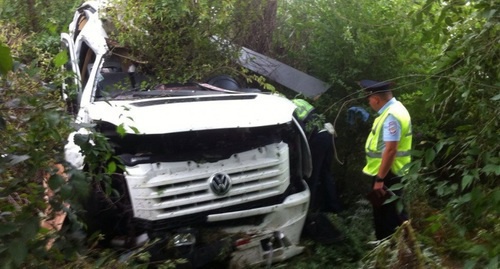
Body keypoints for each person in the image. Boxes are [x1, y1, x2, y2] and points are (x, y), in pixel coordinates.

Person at [359, 79, 412, 240]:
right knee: (396, 214)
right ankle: (407, 250)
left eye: (369, 99)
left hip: (387, 174)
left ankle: (390, 253)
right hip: (393, 172)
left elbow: (390, 150)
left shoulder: (391, 117)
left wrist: (380, 180)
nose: (369, 103)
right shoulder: (398, 109)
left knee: (385, 219)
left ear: (376, 99)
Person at [292, 99, 341, 213]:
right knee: (325, 172)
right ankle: (333, 207)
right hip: (328, 134)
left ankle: (308, 209)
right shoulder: (299, 101)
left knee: (312, 174)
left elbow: (300, 131)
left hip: (318, 139)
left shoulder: (286, 108)